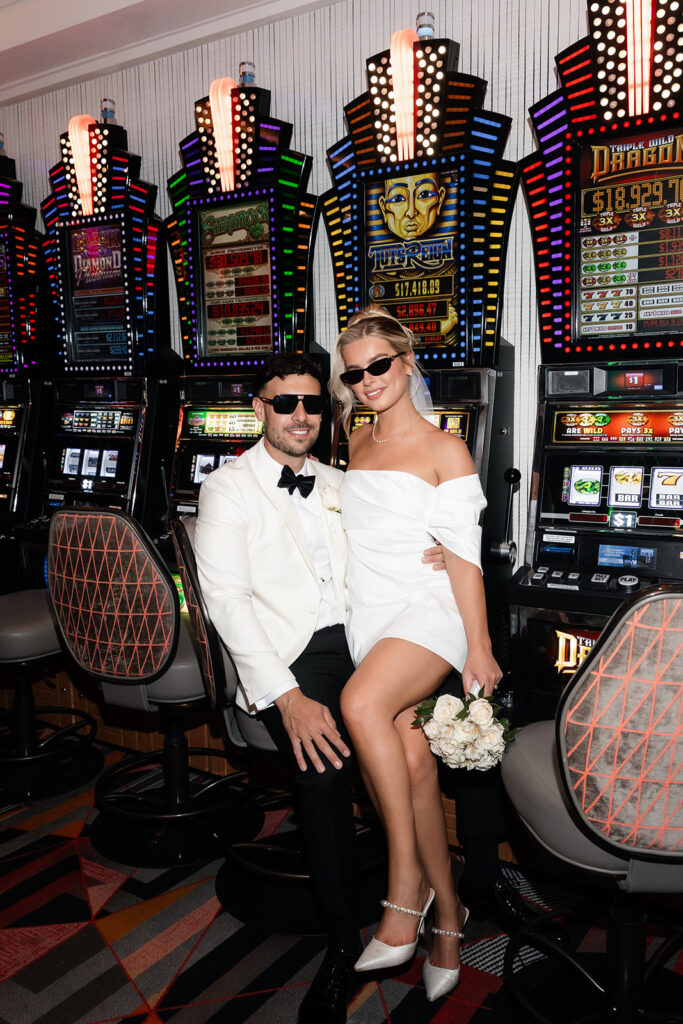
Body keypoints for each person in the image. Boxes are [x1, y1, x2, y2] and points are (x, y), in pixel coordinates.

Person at [193, 352, 445, 1024]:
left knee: (443, 723)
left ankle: (457, 892)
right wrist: (287, 696)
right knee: (325, 770)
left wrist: (437, 550)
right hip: (293, 654)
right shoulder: (227, 487)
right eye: (285, 404)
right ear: (258, 410)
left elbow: (394, 547)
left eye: (311, 404)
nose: (300, 416)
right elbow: (226, 600)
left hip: (366, 640)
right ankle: (342, 944)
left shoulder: (343, 477)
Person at [330, 307, 503, 1002]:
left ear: (406, 364)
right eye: (354, 372)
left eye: (378, 365)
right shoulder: (353, 436)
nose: (367, 380)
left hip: (429, 612)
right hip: (371, 616)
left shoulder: (446, 448)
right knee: (410, 765)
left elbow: (463, 557)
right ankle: (450, 921)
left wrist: (480, 648)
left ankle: (404, 894)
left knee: (358, 702)